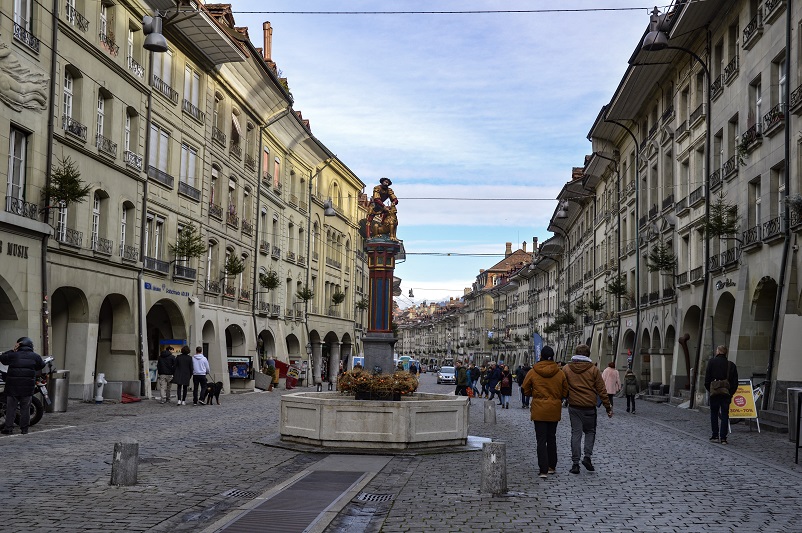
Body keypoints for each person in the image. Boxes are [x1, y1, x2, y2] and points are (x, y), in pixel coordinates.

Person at [563, 344, 612, 474]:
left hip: (574, 406)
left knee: (576, 433)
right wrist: (608, 407)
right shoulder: (593, 369)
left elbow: (562, 386)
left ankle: (575, 464)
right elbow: (602, 389)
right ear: (588, 354)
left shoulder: (567, 368)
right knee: (590, 432)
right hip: (589, 406)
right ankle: (587, 457)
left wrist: (565, 397)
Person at [522, 346, 568, 479]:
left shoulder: (533, 371)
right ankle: (552, 466)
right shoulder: (559, 372)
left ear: (540, 356)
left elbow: (525, 388)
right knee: (551, 437)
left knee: (541, 439)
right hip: (554, 408)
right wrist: (557, 397)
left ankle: (543, 470)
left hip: (539, 408)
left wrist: (534, 395)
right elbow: (565, 391)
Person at [0, 337, 45, 435]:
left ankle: (8, 428)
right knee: (25, 408)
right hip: (27, 386)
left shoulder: (13, 355)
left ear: (19, 345)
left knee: (11, 408)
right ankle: (24, 429)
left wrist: (12, 349)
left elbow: (2, 359)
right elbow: (41, 365)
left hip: (13, 387)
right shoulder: (35, 356)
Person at [704, 345, 738, 444]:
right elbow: (735, 382)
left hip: (714, 392)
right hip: (726, 393)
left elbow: (707, 379)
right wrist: (730, 393)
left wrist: (710, 390)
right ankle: (723, 438)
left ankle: (715, 435)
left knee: (714, 414)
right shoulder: (731, 365)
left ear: (718, 352)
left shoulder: (711, 362)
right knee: (725, 415)